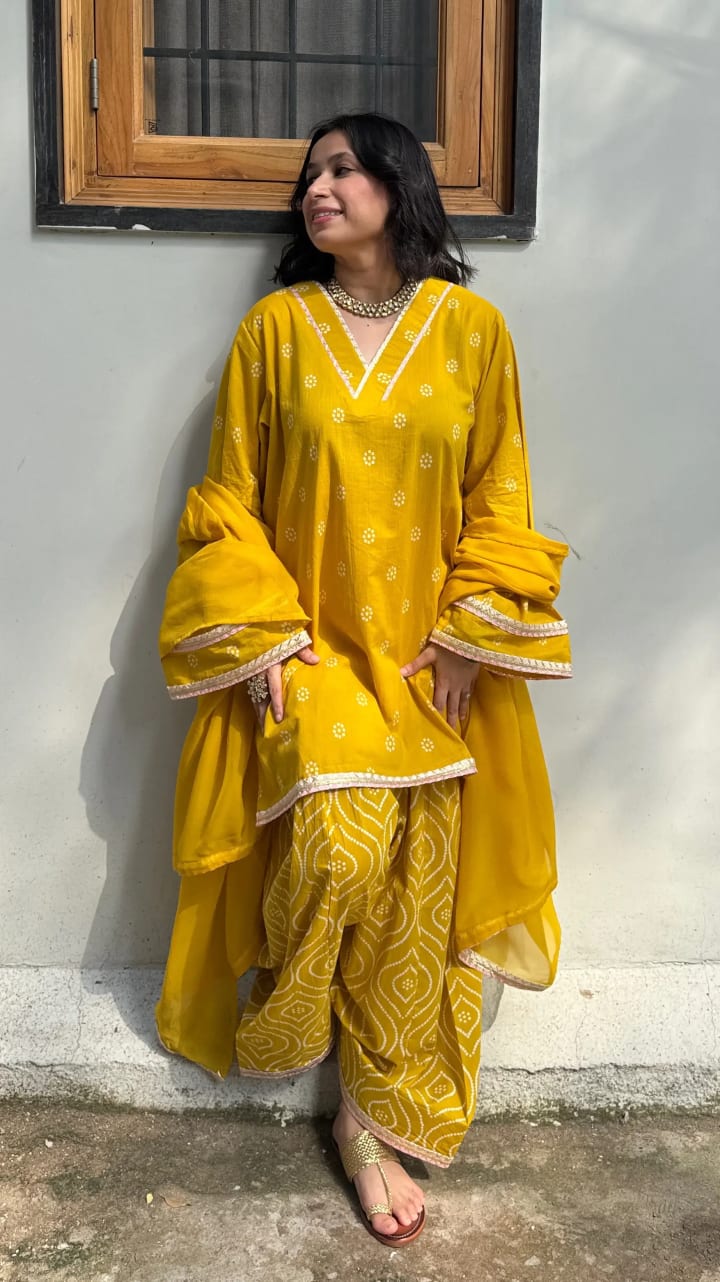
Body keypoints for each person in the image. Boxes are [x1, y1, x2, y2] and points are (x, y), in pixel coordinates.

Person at [156, 111, 572, 1247]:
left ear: (400, 183)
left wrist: (469, 635)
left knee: (420, 886)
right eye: (310, 174)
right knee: (338, 852)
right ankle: (291, 1024)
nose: (318, 187)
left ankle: (366, 1119)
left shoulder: (474, 330)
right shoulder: (275, 331)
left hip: (430, 660)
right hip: (316, 655)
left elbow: (501, 496)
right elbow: (230, 499)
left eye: (342, 168)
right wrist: (265, 638)